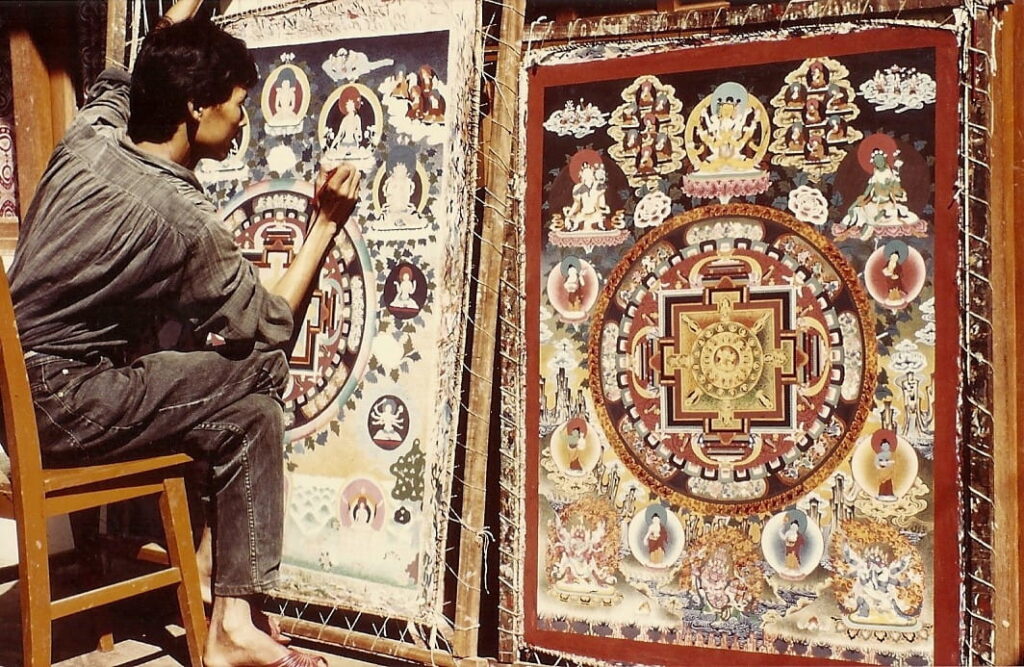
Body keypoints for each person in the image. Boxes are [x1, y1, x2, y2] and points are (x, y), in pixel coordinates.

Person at [7, 3, 359, 666]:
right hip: (66, 407)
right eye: (237, 105)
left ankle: (226, 608)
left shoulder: (95, 129)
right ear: (196, 107)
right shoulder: (180, 215)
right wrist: (325, 224)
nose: (243, 121)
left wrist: (182, 18)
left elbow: (131, 71)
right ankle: (221, 604)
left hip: (15, 404)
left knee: (249, 414)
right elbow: (271, 324)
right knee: (260, 371)